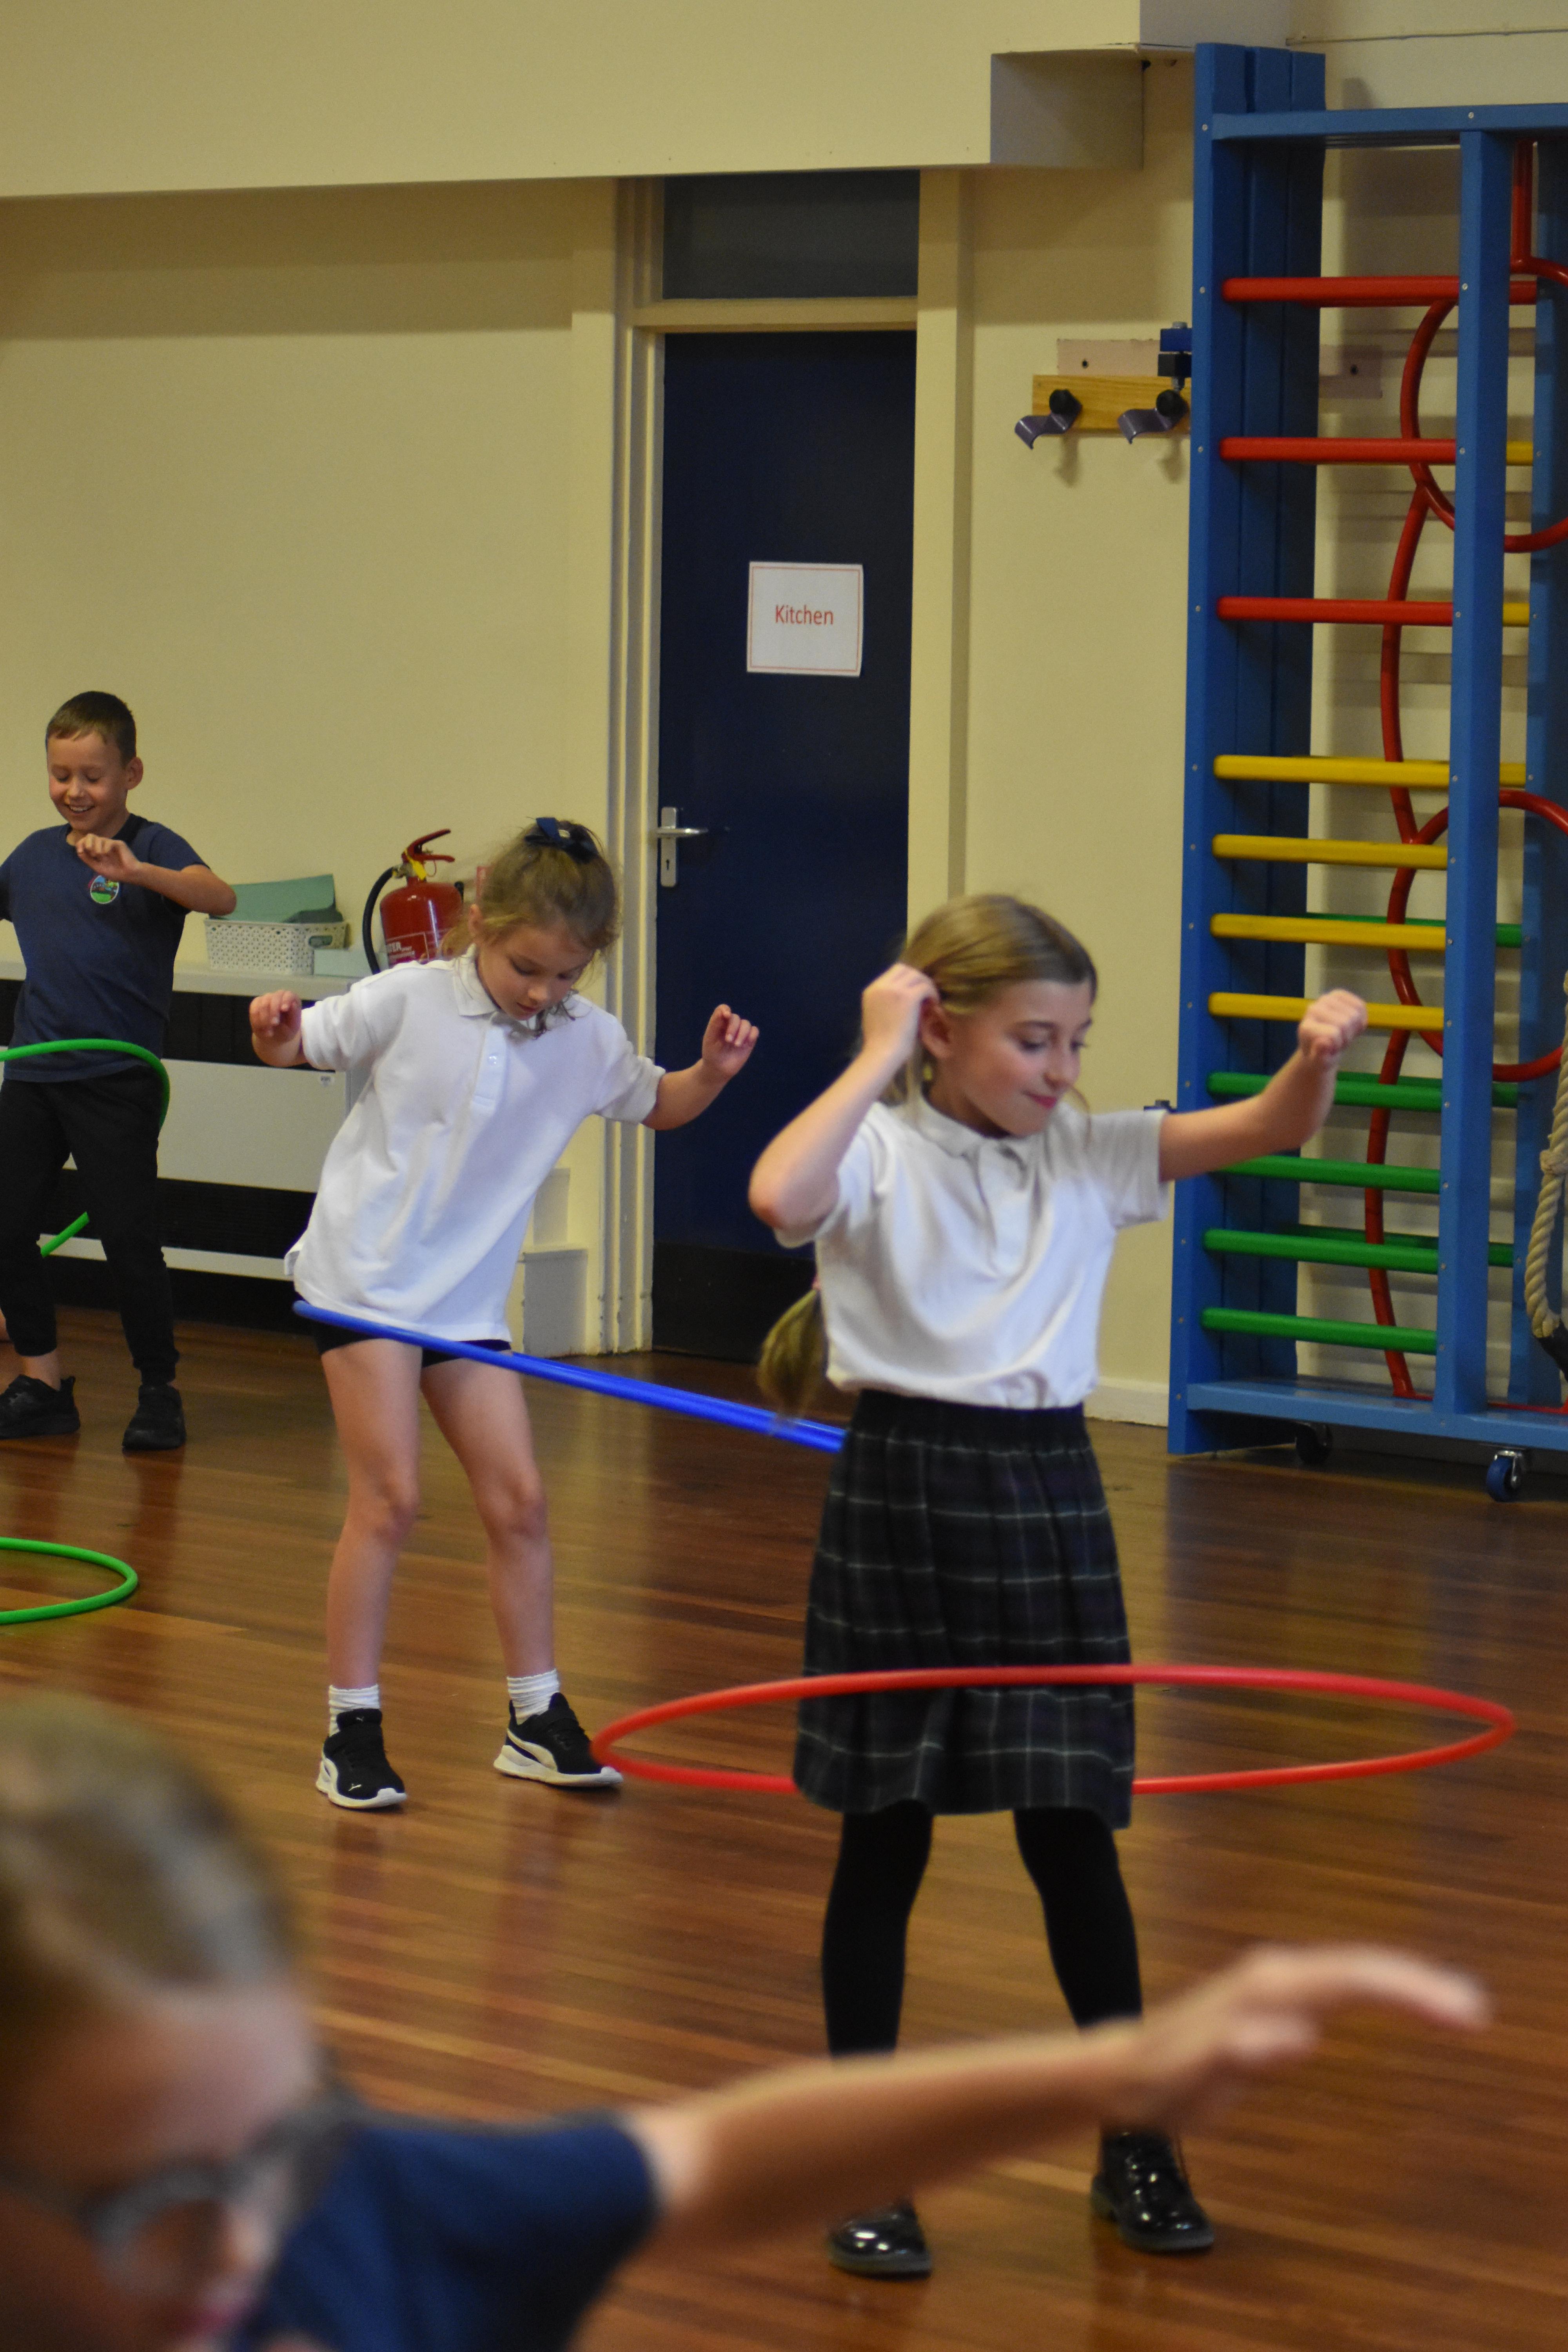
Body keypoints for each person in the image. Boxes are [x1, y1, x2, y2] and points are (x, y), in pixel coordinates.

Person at [0, 1690, 1485, 2352]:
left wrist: (1119, 2070)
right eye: (158, 2203)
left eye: (285, 2133)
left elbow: (705, 2162)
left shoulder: (348, 2212)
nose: (245, 2247)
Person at [748, 893, 1369, 2274]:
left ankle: (1138, 2140)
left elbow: (1269, 1130)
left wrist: (1315, 1059)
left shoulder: (1092, 1155)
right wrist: (873, 1051)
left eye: (1077, 1041)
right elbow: (779, 1197)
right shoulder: (878, 1151)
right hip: (904, 1493)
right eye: (1034, 1040)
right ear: (940, 1029)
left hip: (1047, 1493)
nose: (1062, 1069)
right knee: (885, 1839)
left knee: (1072, 1834)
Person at [250, 817, 758, 1813]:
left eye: (566, 975)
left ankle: (535, 1717)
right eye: (527, 969)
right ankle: (351, 1728)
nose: (541, 993)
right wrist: (274, 1030)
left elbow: (658, 1103)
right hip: (366, 1282)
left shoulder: (586, 1038)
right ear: (479, 920)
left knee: (520, 1502)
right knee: (390, 1501)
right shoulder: (408, 998)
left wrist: (711, 1073)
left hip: (466, 1301)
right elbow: (298, 1044)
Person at [0, 692, 236, 1453]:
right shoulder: (32, 856)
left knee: (128, 1238)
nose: (75, 791)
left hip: (115, 1080)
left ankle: (159, 1390)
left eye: (92, 776)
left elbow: (221, 898)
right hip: (35, 1078)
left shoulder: (152, 844)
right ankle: (41, 1384)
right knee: (6, 1225)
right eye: (61, 774)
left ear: (130, 773)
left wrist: (141, 872)